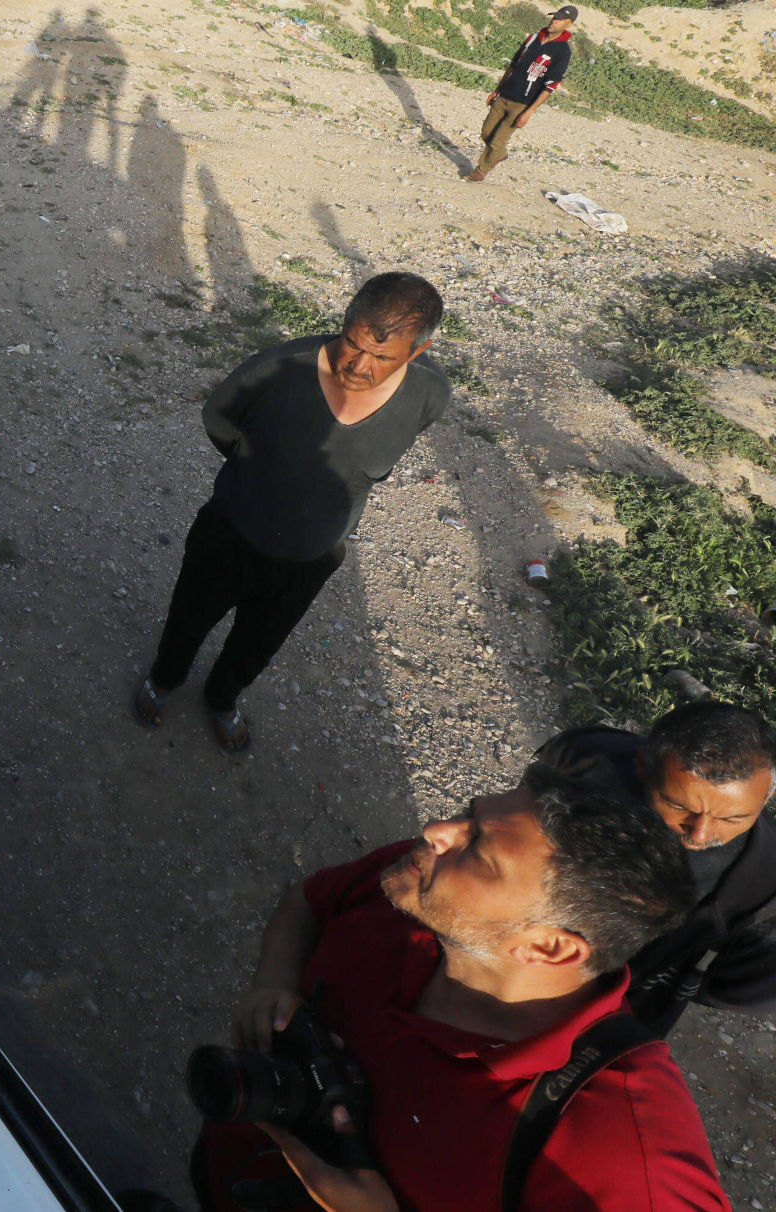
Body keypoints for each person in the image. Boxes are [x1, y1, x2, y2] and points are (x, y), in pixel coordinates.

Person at [198, 765, 727, 1211]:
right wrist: (274, 980)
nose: (436, 830)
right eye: (469, 814)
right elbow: (312, 901)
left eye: (476, 847)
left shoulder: (623, 1151)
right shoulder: (417, 889)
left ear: (549, 948)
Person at [132, 273, 449, 752]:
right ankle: (164, 679)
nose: (358, 365)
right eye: (352, 343)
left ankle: (222, 699)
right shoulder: (280, 367)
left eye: (381, 357)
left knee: (259, 643)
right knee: (189, 619)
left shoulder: (429, 394)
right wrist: (261, 469)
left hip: (309, 560)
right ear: (344, 324)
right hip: (229, 536)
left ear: (415, 354)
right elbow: (219, 418)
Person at [538, 698, 776, 1032]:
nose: (701, 832)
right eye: (679, 806)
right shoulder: (586, 757)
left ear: (764, 799)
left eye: (733, 818)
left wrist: (668, 980)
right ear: (643, 767)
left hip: (602, 1025)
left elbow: (754, 988)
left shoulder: (764, 886)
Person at [468, 6, 578, 182]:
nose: (554, 21)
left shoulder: (563, 51)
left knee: (497, 141)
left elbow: (551, 85)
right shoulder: (534, 38)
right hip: (504, 95)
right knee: (486, 132)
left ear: (569, 24)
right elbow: (512, 65)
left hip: (522, 104)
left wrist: (529, 112)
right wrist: (497, 90)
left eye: (559, 20)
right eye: (553, 17)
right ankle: (499, 154)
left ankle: (481, 171)